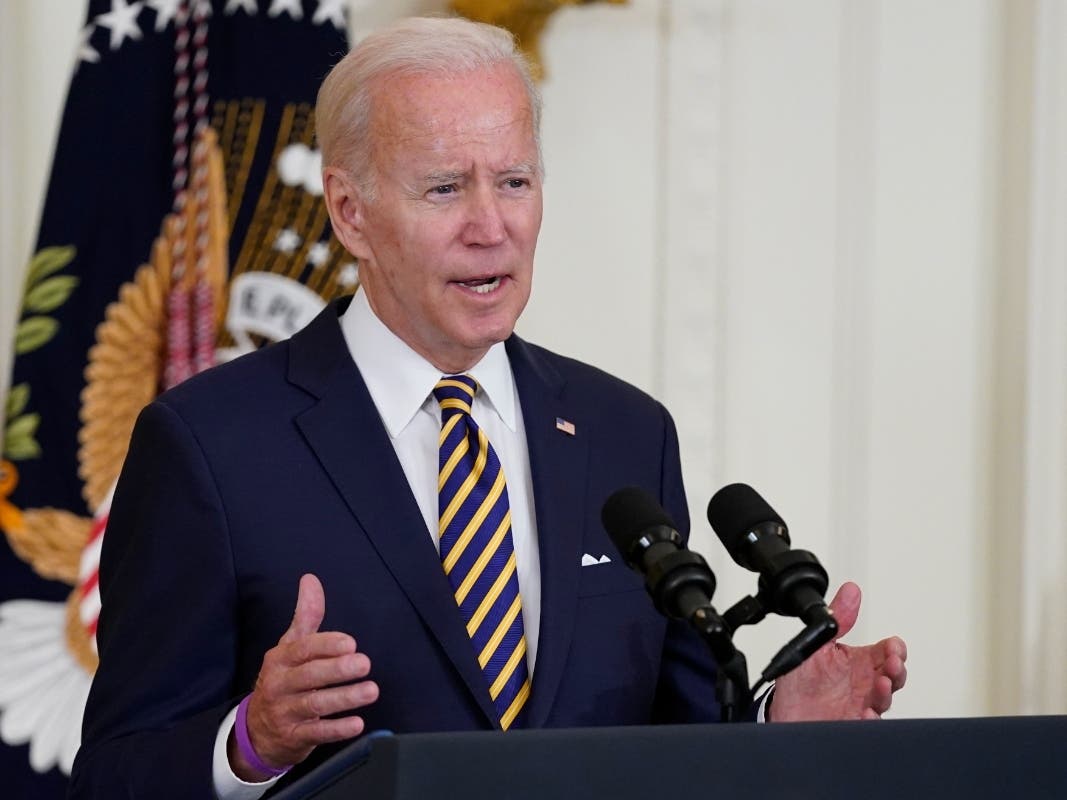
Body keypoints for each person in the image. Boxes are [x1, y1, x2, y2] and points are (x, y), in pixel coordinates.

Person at [68, 16, 907, 799]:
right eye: (443, 189)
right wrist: (247, 743)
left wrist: (773, 728)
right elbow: (112, 773)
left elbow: (669, 741)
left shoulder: (626, 433)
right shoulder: (211, 446)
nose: (490, 225)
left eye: (513, 181)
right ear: (349, 211)